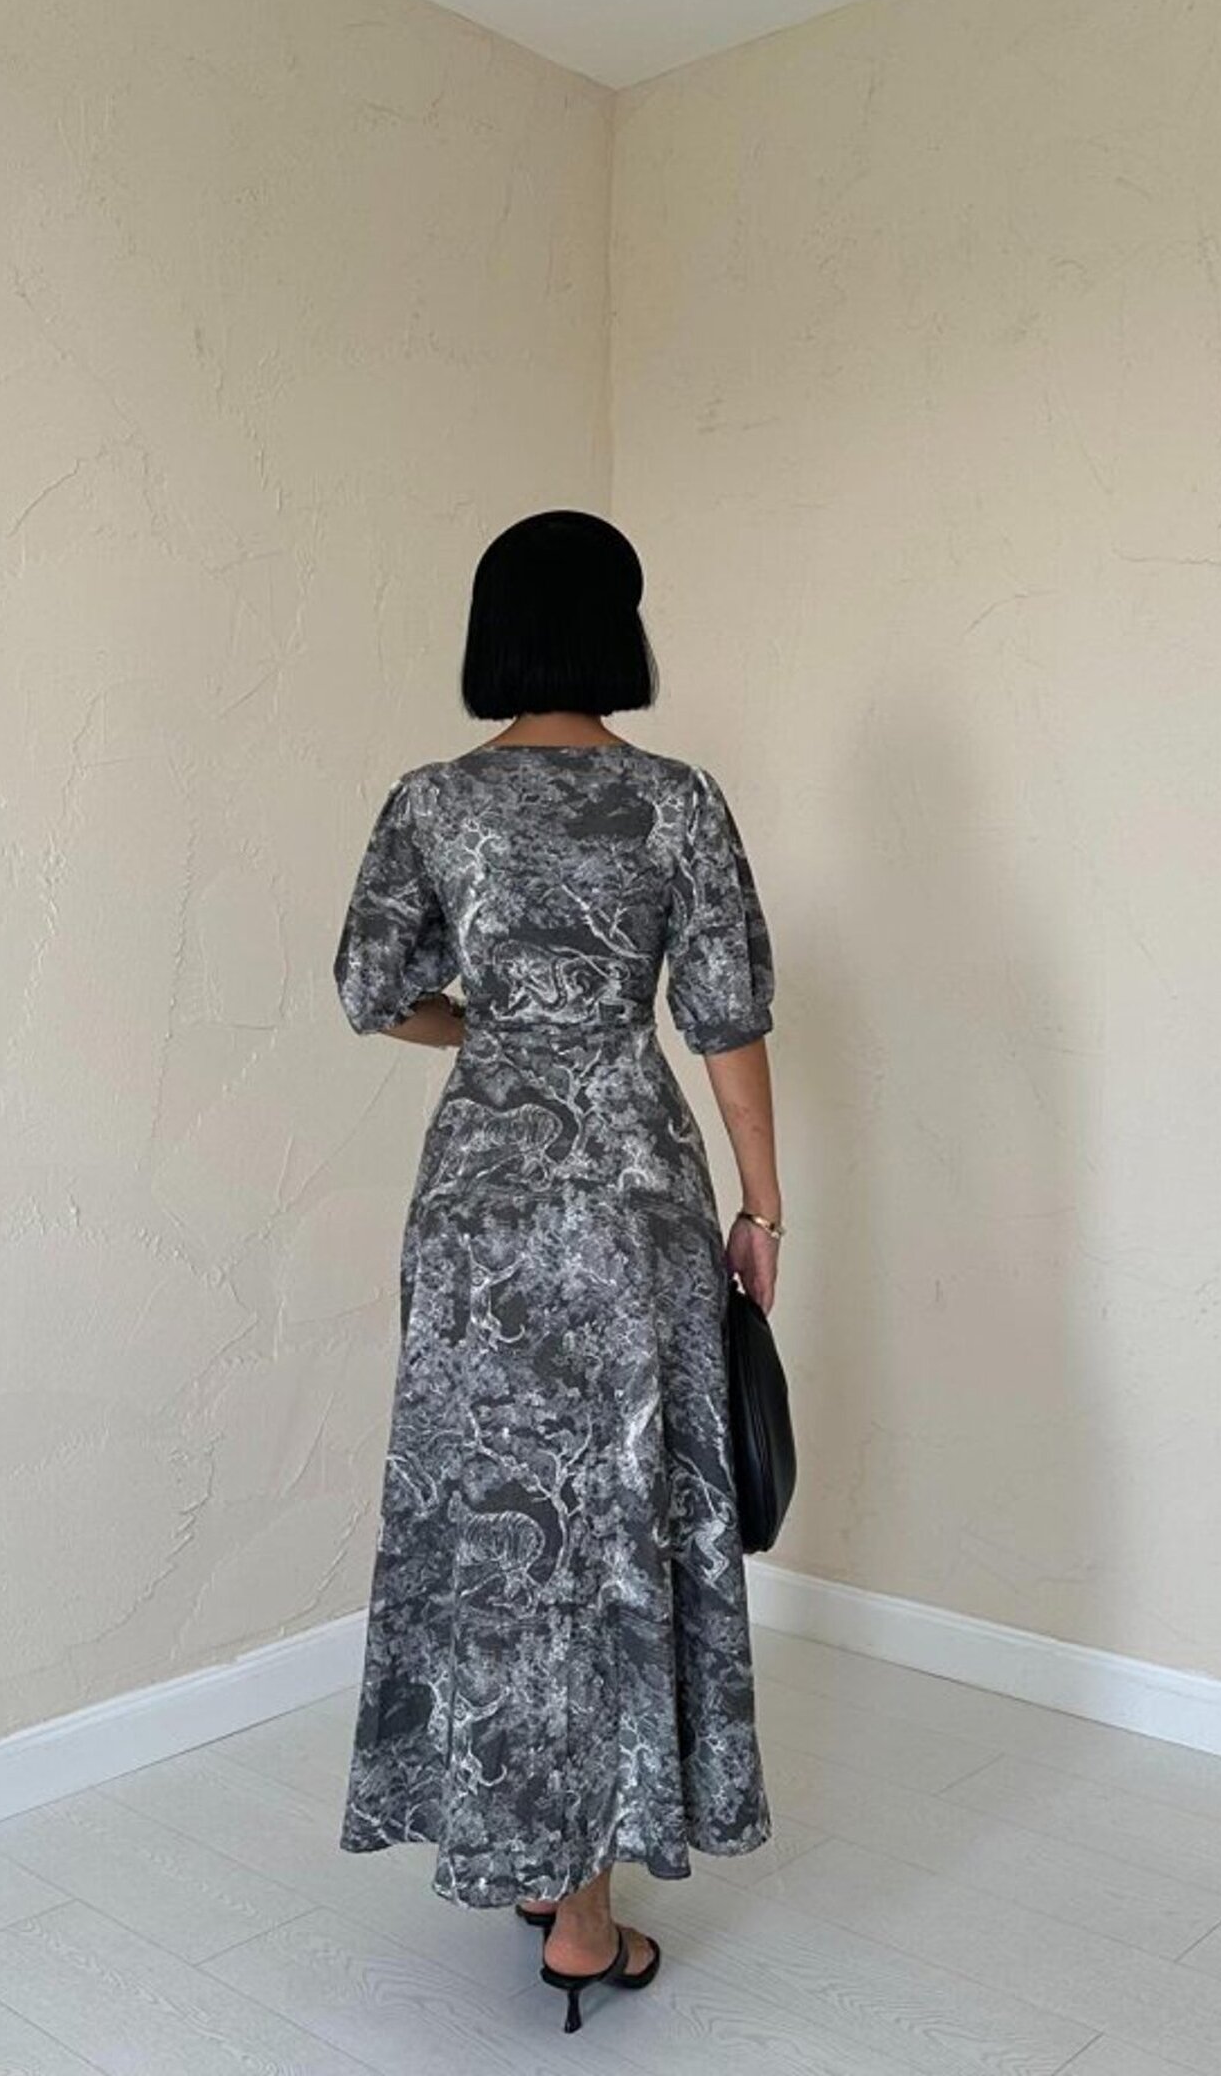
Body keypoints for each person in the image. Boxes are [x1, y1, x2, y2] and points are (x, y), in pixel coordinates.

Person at [332, 507, 784, 2033]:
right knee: (616, 1516)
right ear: (616, 629)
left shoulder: (430, 802)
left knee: (496, 1517)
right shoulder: (676, 801)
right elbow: (723, 1019)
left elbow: (372, 989)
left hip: (477, 1201)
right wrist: (763, 1209)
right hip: (633, 1193)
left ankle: (527, 1847)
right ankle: (585, 1917)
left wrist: (499, 1033)